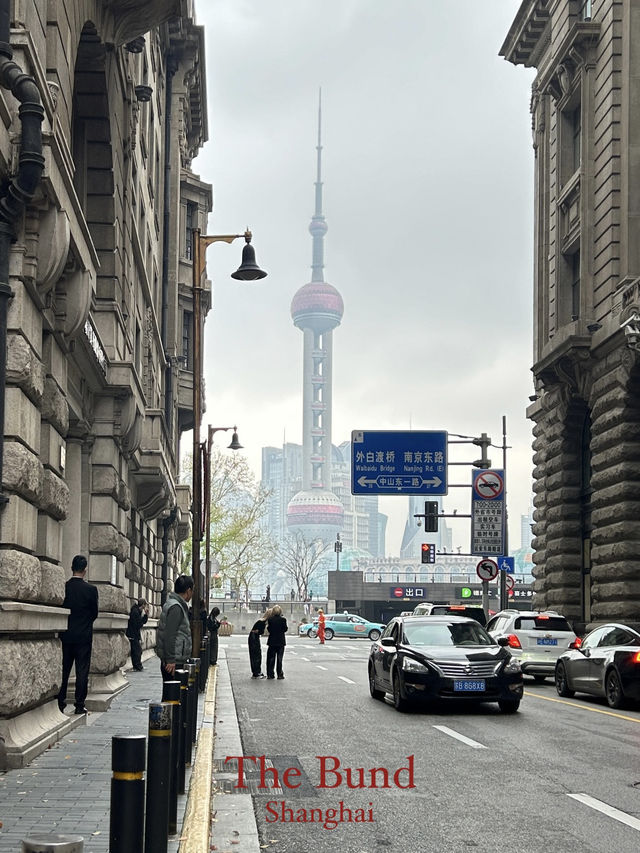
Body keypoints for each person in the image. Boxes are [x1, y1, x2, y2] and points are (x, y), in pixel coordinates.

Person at [57, 555, 99, 715]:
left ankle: (60, 702)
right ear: (85, 570)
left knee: (64, 670)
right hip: (84, 636)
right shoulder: (91, 590)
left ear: (71, 568)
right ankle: (79, 705)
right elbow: (94, 613)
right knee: (82, 671)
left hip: (66, 635)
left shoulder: (64, 587)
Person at [155, 575, 194, 680]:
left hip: (172, 659)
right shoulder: (176, 607)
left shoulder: (172, 604)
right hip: (174, 661)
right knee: (174, 693)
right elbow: (170, 635)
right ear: (188, 590)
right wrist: (171, 660)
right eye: (192, 591)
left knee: (171, 693)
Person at [266, 604, 288, 679]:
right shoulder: (283, 620)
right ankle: (279, 674)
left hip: (272, 641)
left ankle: (270, 674)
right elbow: (285, 629)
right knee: (279, 658)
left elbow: (269, 629)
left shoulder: (270, 620)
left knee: (271, 658)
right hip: (281, 641)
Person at [126, 598, 148, 671]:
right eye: (145, 605)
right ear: (143, 605)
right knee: (137, 651)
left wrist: (145, 615)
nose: (145, 607)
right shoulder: (135, 611)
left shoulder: (137, 611)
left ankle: (137, 666)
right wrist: (144, 616)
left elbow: (142, 622)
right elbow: (139, 624)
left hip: (134, 634)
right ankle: (137, 666)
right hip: (133, 634)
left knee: (137, 650)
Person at [248, 609, 270, 678]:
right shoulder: (262, 622)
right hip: (254, 638)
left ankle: (257, 671)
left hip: (253, 637)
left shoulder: (261, 621)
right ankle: (256, 672)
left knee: (256, 654)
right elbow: (259, 631)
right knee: (256, 655)